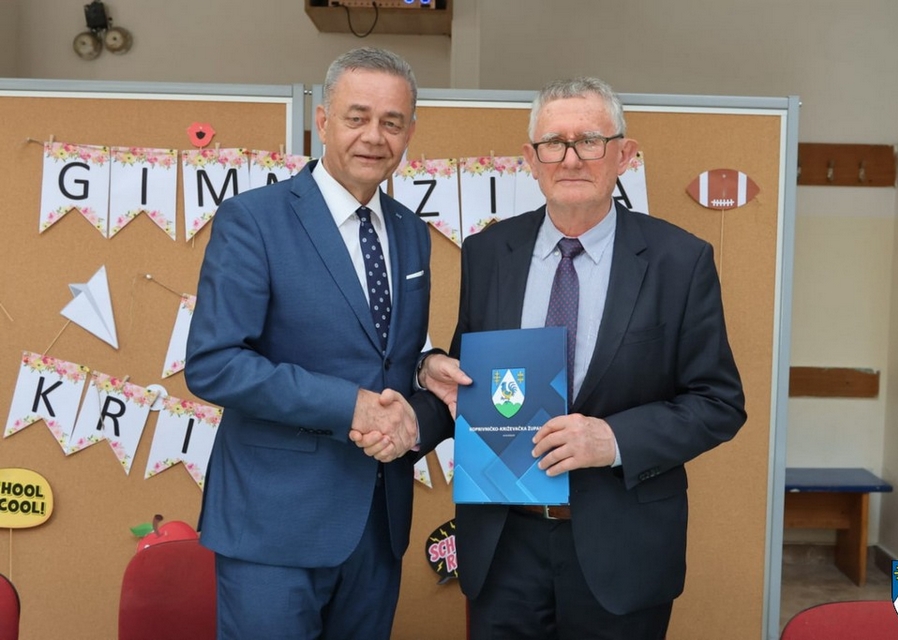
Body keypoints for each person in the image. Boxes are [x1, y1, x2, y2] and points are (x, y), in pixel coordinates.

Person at [416, 77, 747, 639]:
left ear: (624, 154)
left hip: (623, 551)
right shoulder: (489, 253)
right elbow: (474, 379)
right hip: (503, 545)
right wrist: (428, 374)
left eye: (590, 140)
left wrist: (612, 439)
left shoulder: (679, 260)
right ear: (531, 159)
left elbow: (718, 403)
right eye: (554, 143)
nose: (570, 158)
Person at [184, 47, 446, 639]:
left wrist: (425, 365)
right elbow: (214, 363)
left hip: (377, 526)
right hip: (272, 528)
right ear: (322, 122)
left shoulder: (411, 232)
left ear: (409, 132)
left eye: (392, 122)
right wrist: (350, 405)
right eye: (357, 117)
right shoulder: (253, 219)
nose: (374, 136)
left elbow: (384, 351)